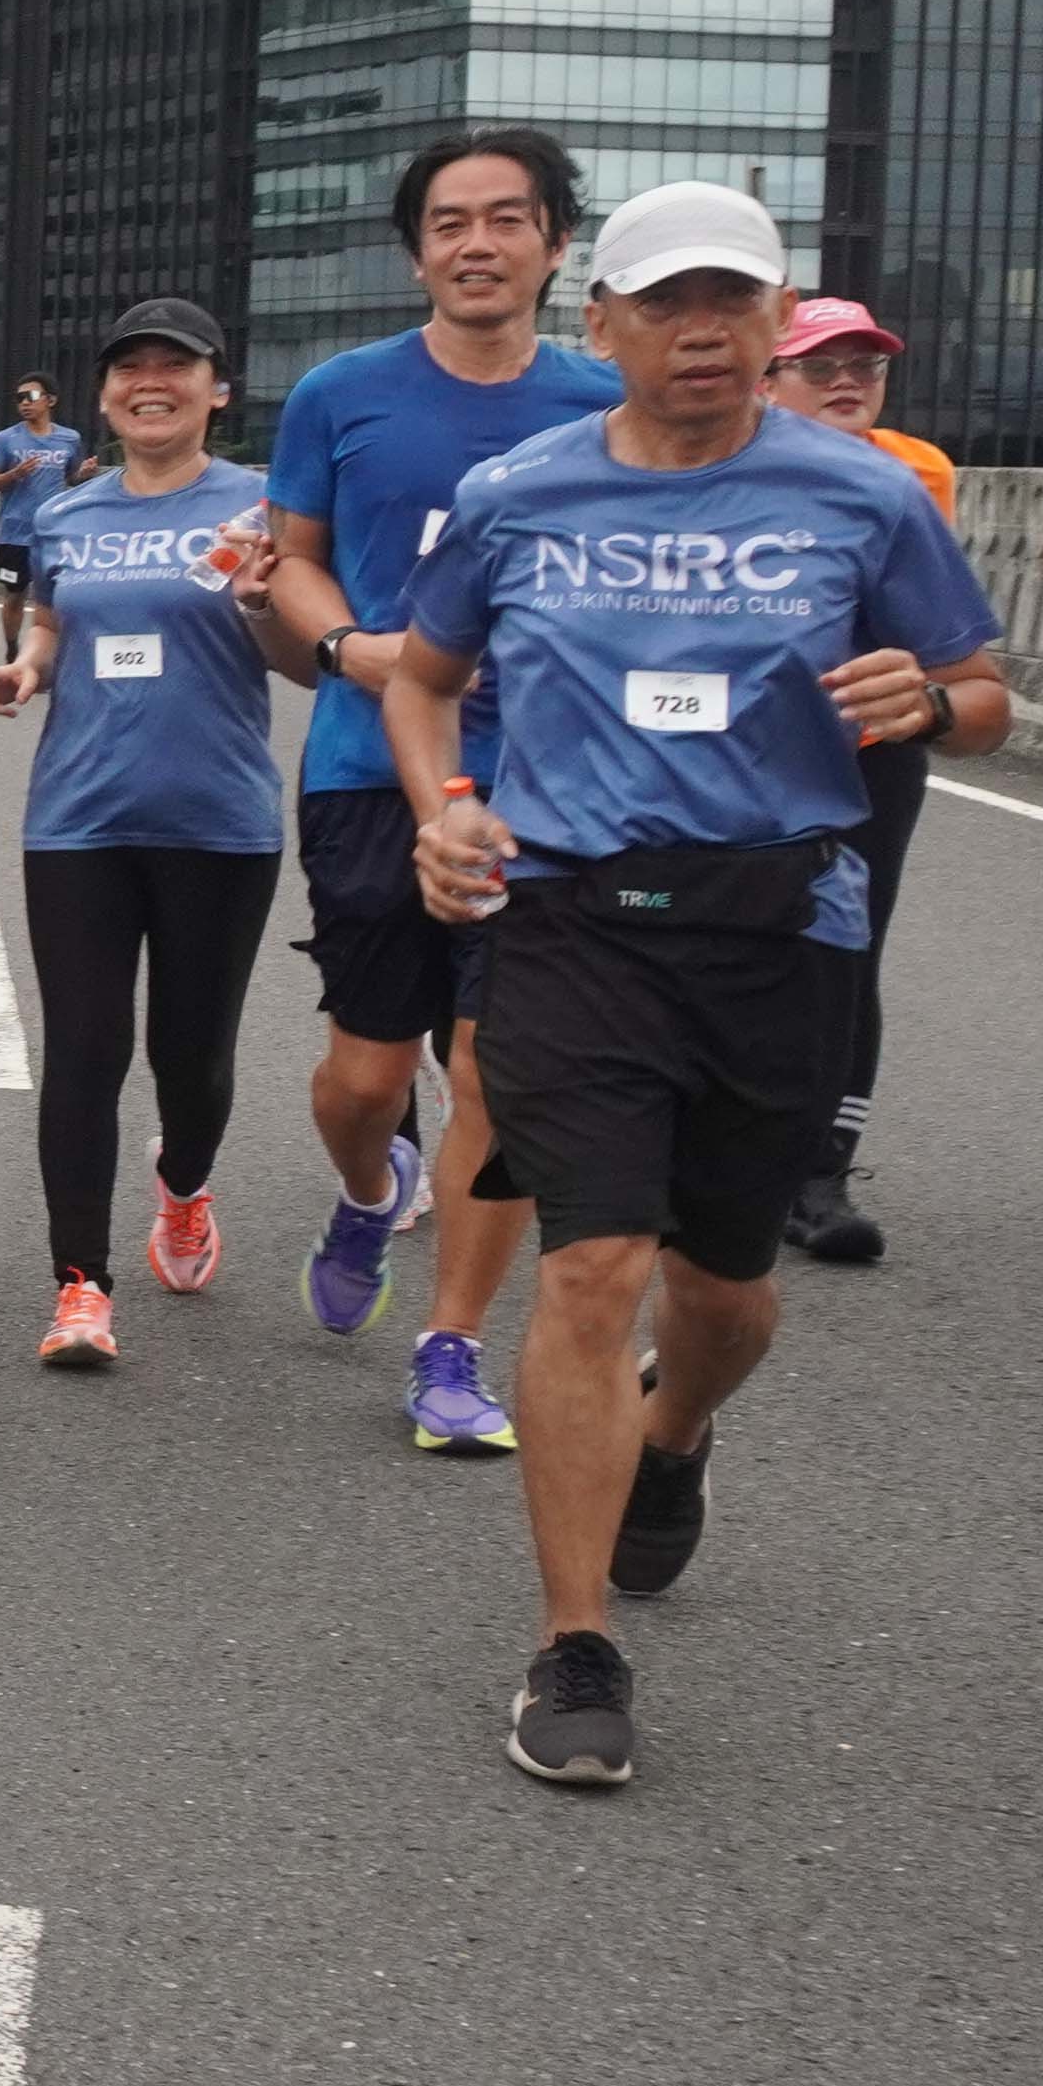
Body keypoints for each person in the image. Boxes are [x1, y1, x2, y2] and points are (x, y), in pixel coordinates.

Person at [395, 181, 1006, 1792]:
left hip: (780, 926)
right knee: (594, 1268)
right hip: (572, 923)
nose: (702, 331)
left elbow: (983, 688)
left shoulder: (864, 495)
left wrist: (933, 708)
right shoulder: (518, 492)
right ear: (602, 326)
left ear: (779, 320)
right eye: (666, 303)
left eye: (733, 301)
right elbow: (425, 678)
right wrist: (444, 806)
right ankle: (573, 1642)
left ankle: (675, 1435)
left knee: (721, 1295)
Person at [243, 127, 626, 1458]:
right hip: (368, 768)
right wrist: (356, 650)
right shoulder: (340, 395)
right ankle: (370, 1188)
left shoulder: (603, 402)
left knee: (494, 1069)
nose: (477, 244)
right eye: (450, 223)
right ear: (416, 253)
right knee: (363, 1078)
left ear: (556, 245)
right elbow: (291, 561)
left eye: (507, 219)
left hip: (548, 786)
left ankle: (450, 1346)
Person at [0, 303, 281, 1367]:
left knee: (192, 1056)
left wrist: (267, 606)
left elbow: (303, 658)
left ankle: (183, 1187)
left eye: (175, 367)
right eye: (130, 368)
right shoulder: (69, 512)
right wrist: (26, 668)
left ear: (216, 390)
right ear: (103, 396)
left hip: (219, 821)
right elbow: (53, 623)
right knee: (84, 1051)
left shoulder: (262, 506)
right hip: (78, 819)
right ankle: (81, 1285)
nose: (152, 383)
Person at [758, 298, 955, 1264]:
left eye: (865, 367)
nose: (847, 382)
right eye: (820, 365)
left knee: (849, 951)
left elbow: (927, 621)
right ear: (767, 380)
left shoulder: (916, 474)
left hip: (868, 750)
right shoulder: (712, 467)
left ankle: (821, 1174)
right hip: (736, 752)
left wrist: (922, 693)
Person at [0, 379, 88, 661]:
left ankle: (51, 653)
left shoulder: (70, 439)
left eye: (32, 395)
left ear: (51, 400)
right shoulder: (6, 439)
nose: (25, 402)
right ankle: (12, 649)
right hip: (15, 534)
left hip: (55, 533)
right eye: (20, 397)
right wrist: (14, 474)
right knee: (15, 595)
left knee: (56, 597)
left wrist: (84, 474)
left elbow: (72, 478)